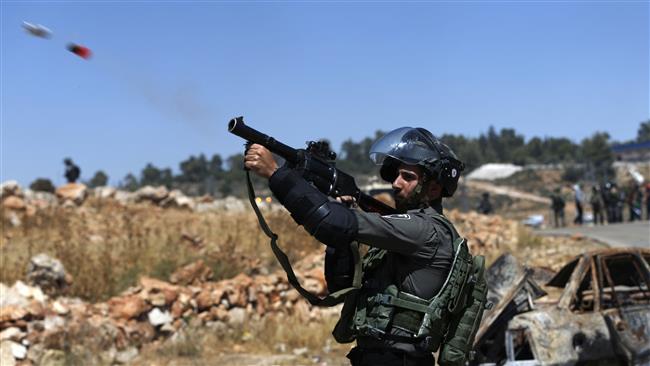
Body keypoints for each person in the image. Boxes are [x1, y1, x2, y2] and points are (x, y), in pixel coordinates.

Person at [245, 127, 465, 366]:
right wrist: (342, 224)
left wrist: (276, 174)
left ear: (434, 188)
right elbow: (341, 283)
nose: (395, 184)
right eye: (396, 175)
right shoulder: (401, 232)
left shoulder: (423, 230)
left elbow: (332, 223)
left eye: (408, 177)